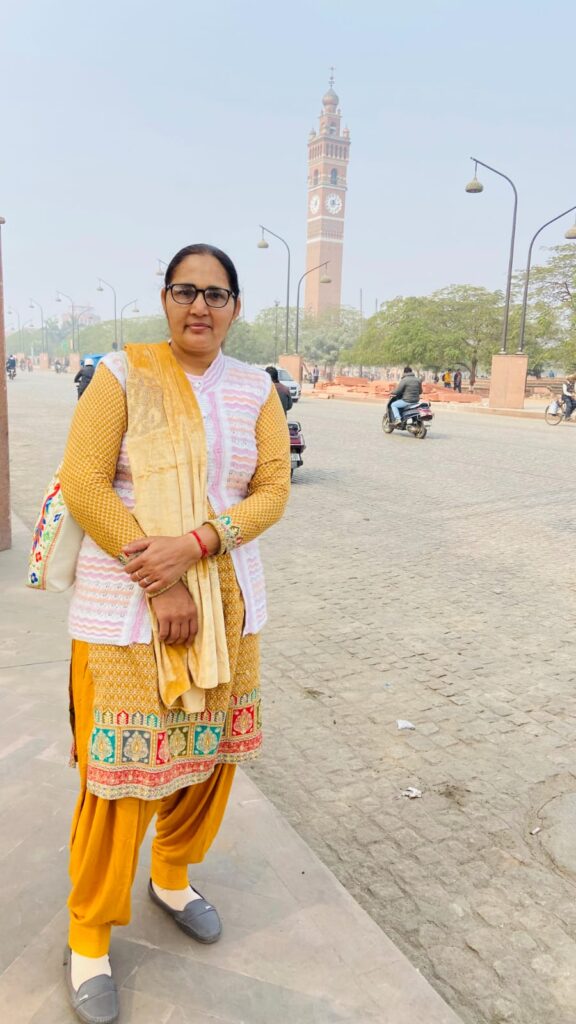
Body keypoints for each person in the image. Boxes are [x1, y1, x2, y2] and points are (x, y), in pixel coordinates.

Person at [58, 243, 291, 1023]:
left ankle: (171, 875)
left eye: (215, 294)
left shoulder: (255, 388)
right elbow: (86, 483)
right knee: (120, 776)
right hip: (125, 611)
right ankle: (89, 936)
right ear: (164, 299)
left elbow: (271, 490)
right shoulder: (123, 375)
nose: (200, 306)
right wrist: (160, 579)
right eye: (185, 291)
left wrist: (197, 544)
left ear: (235, 307)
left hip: (228, 603)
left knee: (206, 763)